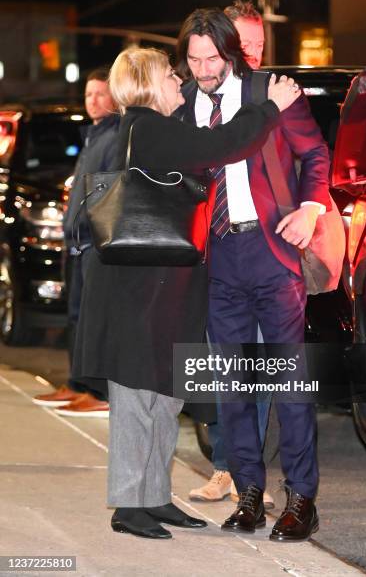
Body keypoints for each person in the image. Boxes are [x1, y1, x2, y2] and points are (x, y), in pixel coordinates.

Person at [70, 46, 302, 540]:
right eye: (172, 76)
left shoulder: (153, 128)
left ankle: (154, 497)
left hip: (164, 286)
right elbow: (221, 145)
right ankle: (129, 505)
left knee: (162, 395)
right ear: (151, 83)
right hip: (139, 288)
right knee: (137, 395)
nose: (182, 82)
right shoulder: (146, 126)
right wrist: (269, 108)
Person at [176, 8, 331, 541]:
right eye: (193, 59)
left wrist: (311, 209)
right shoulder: (185, 104)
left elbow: (315, 154)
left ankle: (301, 499)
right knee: (232, 385)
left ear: (231, 52)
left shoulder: (272, 91)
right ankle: (247, 493)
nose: (202, 69)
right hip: (219, 259)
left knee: (289, 383)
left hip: (272, 253)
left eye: (211, 58)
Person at [188, 0, 274, 509]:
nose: (252, 56)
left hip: (264, 250)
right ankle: (226, 468)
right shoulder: (195, 99)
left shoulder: (275, 98)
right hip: (215, 249)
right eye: (243, 47)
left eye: (259, 47)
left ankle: (247, 477)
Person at [32, 68, 119, 417]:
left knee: (91, 318)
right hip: (78, 242)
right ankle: (78, 383)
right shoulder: (94, 135)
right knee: (77, 315)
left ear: (115, 97)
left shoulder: (113, 137)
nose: (93, 101)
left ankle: (96, 389)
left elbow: (107, 194)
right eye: (88, 94)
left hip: (92, 243)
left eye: (100, 93)